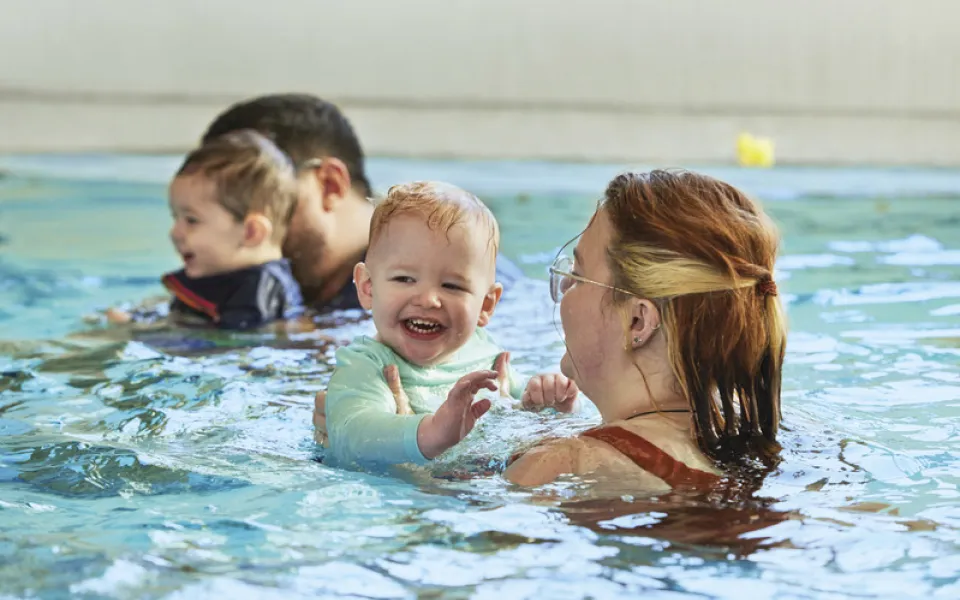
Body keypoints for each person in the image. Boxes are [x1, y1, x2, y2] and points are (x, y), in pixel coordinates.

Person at [502, 169, 787, 489]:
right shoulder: (765, 440)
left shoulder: (565, 463)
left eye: (578, 275)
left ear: (637, 321)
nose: (565, 285)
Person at [321, 181, 578, 468]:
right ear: (367, 287)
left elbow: (530, 418)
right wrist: (432, 433)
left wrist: (552, 406)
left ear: (485, 305)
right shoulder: (367, 367)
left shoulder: (486, 356)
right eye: (404, 279)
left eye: (451, 286)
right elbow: (353, 435)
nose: (429, 299)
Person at [201, 94, 524, 313]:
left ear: (328, 184)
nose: (223, 223)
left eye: (242, 196)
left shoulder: (472, 296)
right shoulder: (271, 293)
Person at [111, 130, 305, 330]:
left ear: (251, 232)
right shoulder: (222, 274)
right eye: (175, 218)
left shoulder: (259, 290)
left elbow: (230, 345)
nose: (175, 233)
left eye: (192, 220)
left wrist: (142, 332)